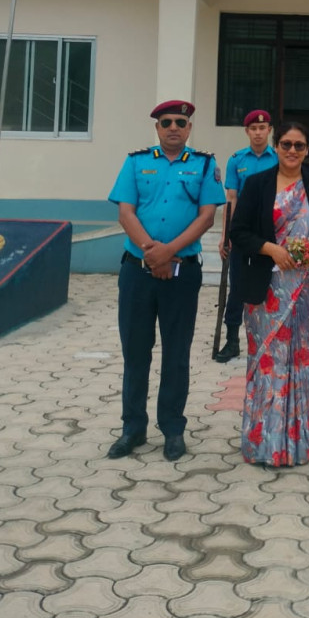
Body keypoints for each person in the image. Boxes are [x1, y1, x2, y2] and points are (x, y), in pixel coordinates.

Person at [106, 100, 226, 461]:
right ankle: (133, 428)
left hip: (182, 271)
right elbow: (125, 212)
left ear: (189, 128)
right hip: (137, 271)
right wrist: (151, 252)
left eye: (180, 122)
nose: (173, 127)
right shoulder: (136, 162)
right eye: (166, 122)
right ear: (157, 128)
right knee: (135, 352)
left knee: (176, 353)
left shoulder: (204, 164)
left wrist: (168, 251)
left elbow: (207, 217)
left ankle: (173, 428)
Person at [229, 120, 309, 466]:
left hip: (306, 290)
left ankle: (296, 443)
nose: (292, 151)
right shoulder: (257, 184)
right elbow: (239, 232)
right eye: (286, 144)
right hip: (266, 289)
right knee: (267, 363)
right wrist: (271, 249)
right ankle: (263, 444)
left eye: (299, 145)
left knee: (300, 363)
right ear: (276, 147)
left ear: (307, 150)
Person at [214, 109, 278, 363]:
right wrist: (226, 235)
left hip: (271, 231)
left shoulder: (279, 158)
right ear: (247, 132)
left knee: (273, 285)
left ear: (269, 130)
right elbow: (231, 199)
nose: (258, 133)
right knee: (237, 286)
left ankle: (271, 339)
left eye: (262, 128)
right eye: (253, 129)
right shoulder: (236, 160)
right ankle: (232, 340)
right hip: (243, 230)